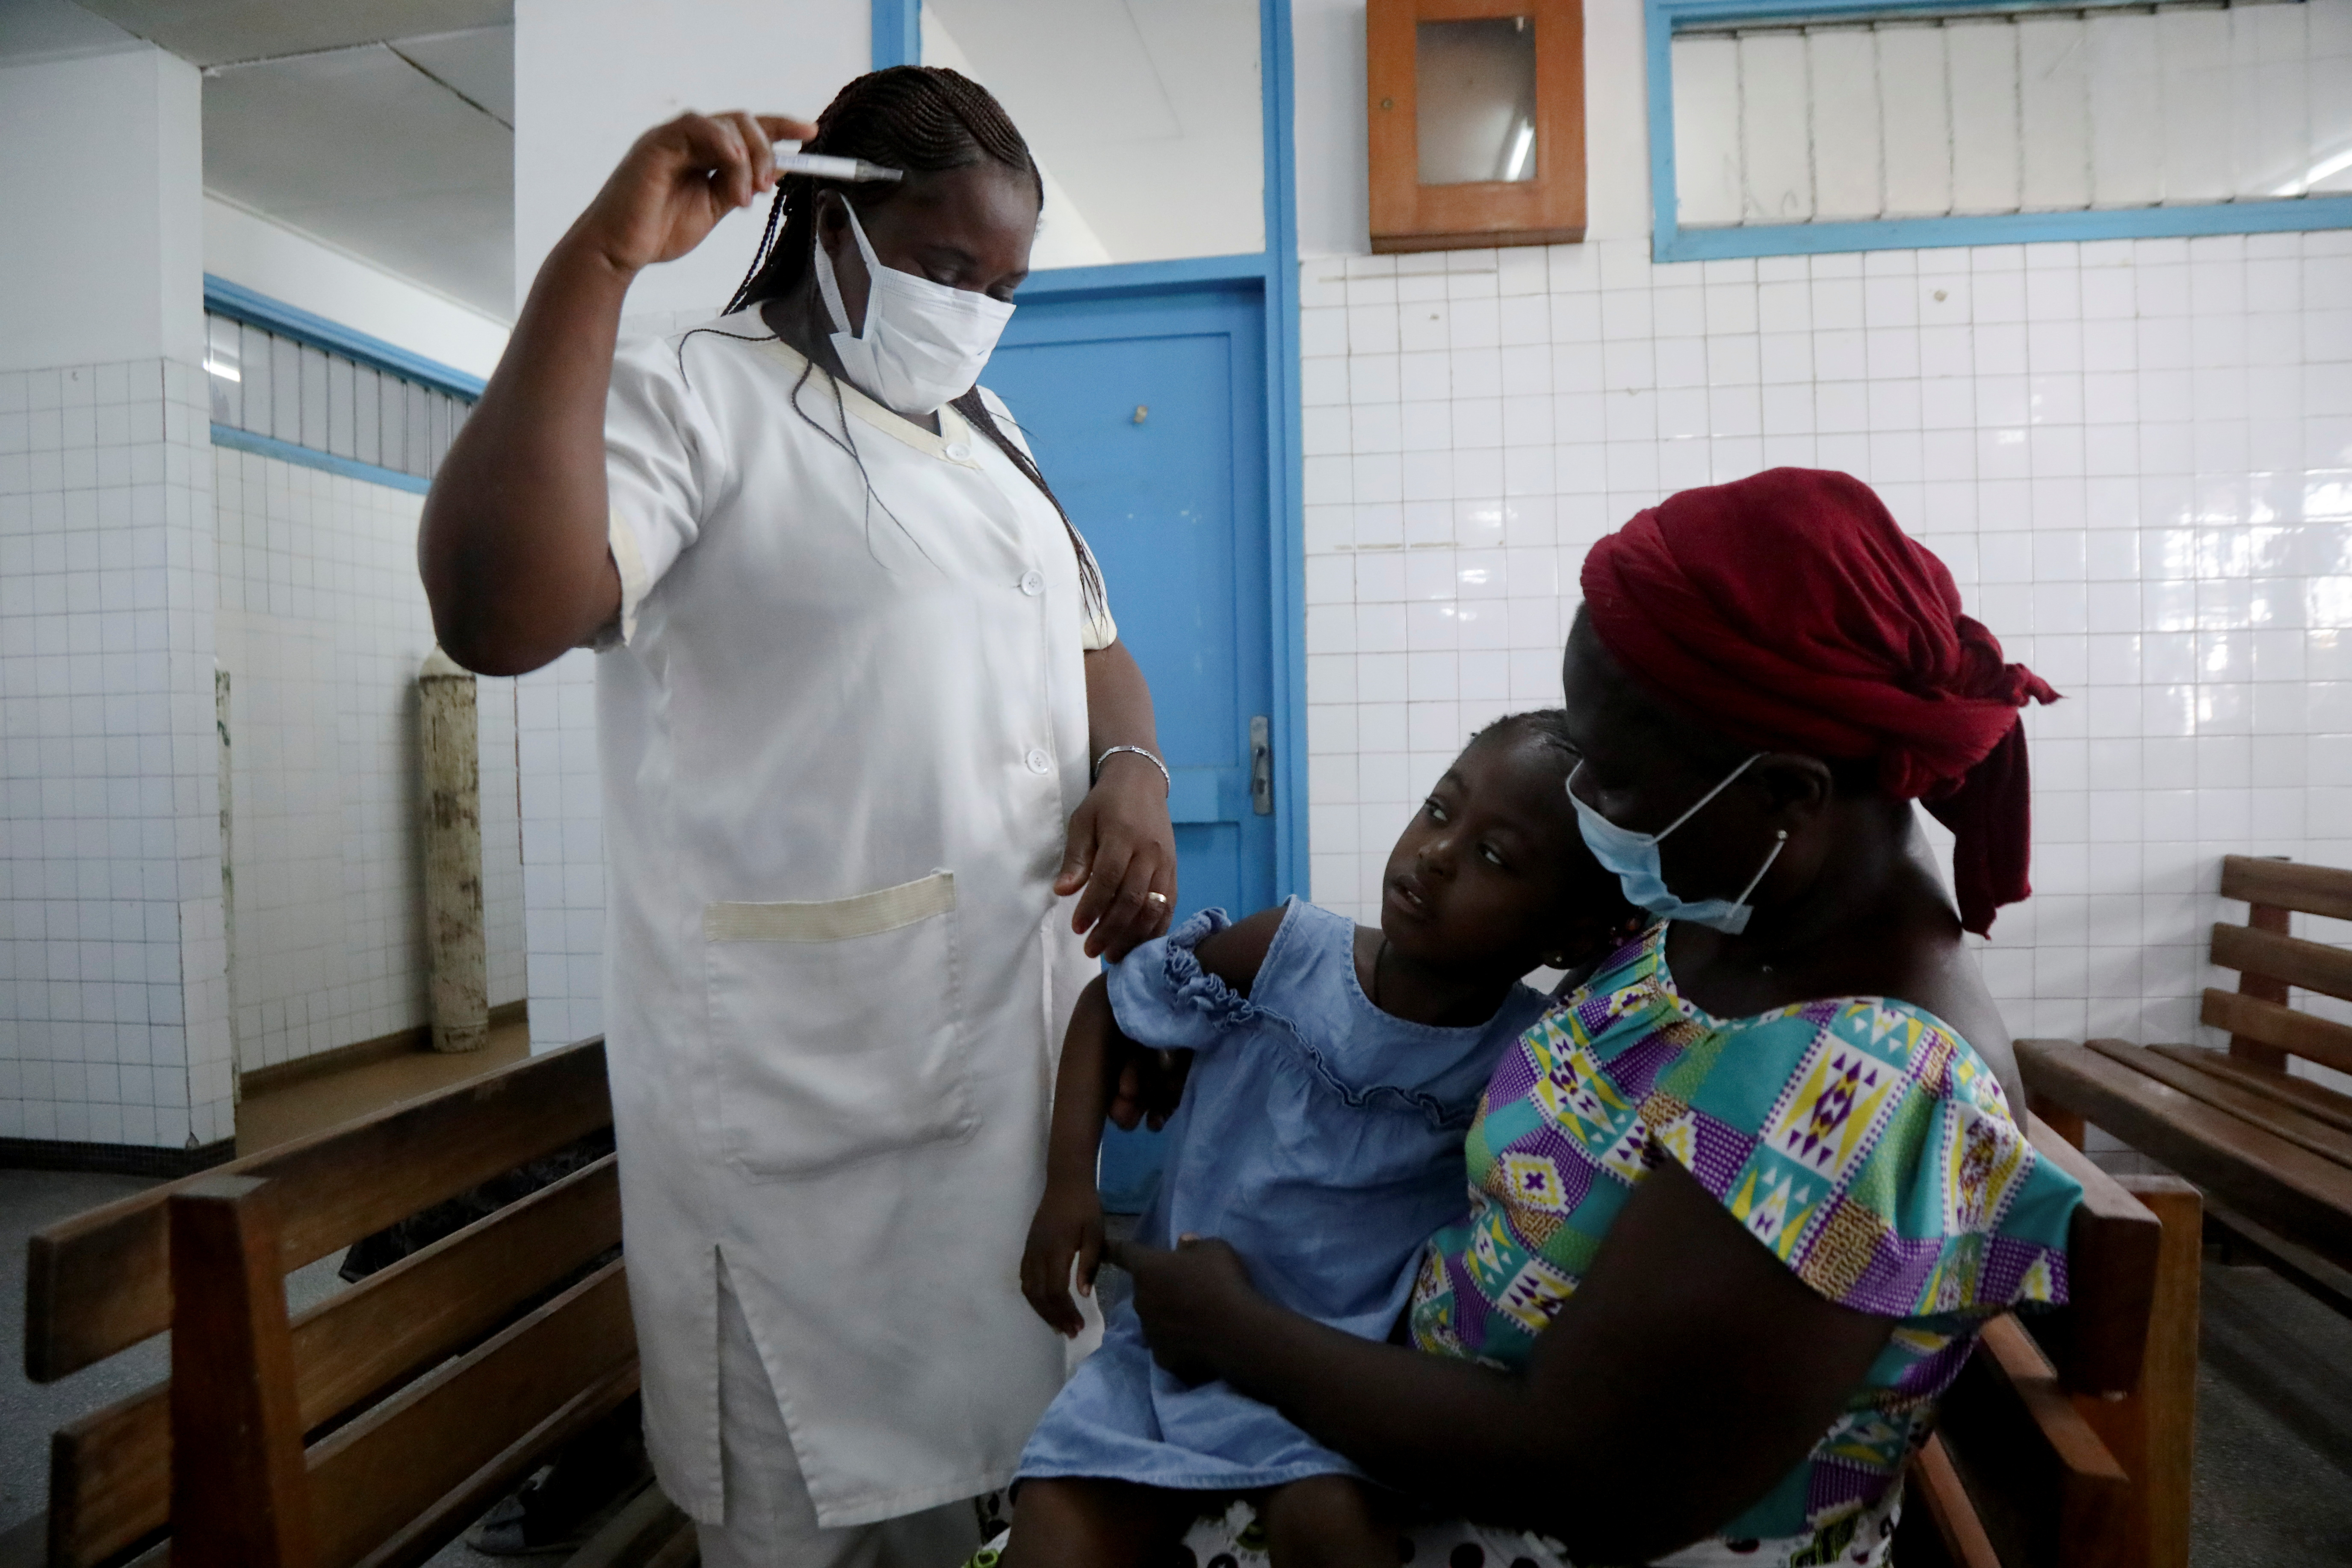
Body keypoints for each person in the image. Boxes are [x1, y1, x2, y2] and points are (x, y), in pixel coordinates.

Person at [417, 67, 1179, 1568]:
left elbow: (1091, 636)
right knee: (805, 1512)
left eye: (1003, 284)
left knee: (1002, 1467)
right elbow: (496, 612)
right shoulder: (691, 392)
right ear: (830, 218)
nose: (971, 309)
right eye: (945, 265)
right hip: (798, 1100)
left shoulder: (989, 423)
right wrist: (600, 258)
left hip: (999, 1079)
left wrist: (1130, 770)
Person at [1096, 470, 2087, 1568]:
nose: (1585, 812)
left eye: (1613, 784)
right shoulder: (1707, 916)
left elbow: (1596, 1479)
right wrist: (1244, 1029)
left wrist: (1238, 1333)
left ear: (1787, 796)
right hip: (1388, 1418)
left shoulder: (1862, 1079)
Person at [1001, 713, 1640, 1568]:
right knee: (1055, 1525)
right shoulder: (1288, 954)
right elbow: (1108, 1006)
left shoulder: (1519, 1063)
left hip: (1332, 1378)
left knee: (1333, 1531)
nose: (1436, 853)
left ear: (1566, 937)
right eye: (1438, 811)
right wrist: (1068, 1187)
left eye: (1495, 857)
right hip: (1168, 1348)